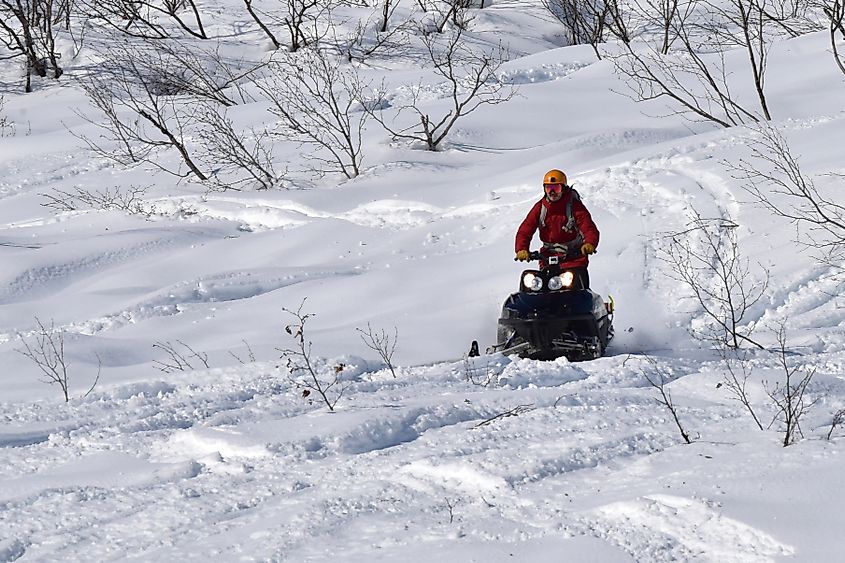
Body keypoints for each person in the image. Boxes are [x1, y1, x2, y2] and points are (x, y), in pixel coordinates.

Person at [514, 168, 600, 288]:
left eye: (556, 188)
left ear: (563, 189)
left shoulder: (574, 206)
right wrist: (521, 249)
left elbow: (588, 227)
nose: (552, 192)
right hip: (548, 258)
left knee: (577, 292)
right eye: (549, 188)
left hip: (573, 259)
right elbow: (525, 230)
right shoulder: (540, 208)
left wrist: (589, 244)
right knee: (535, 287)